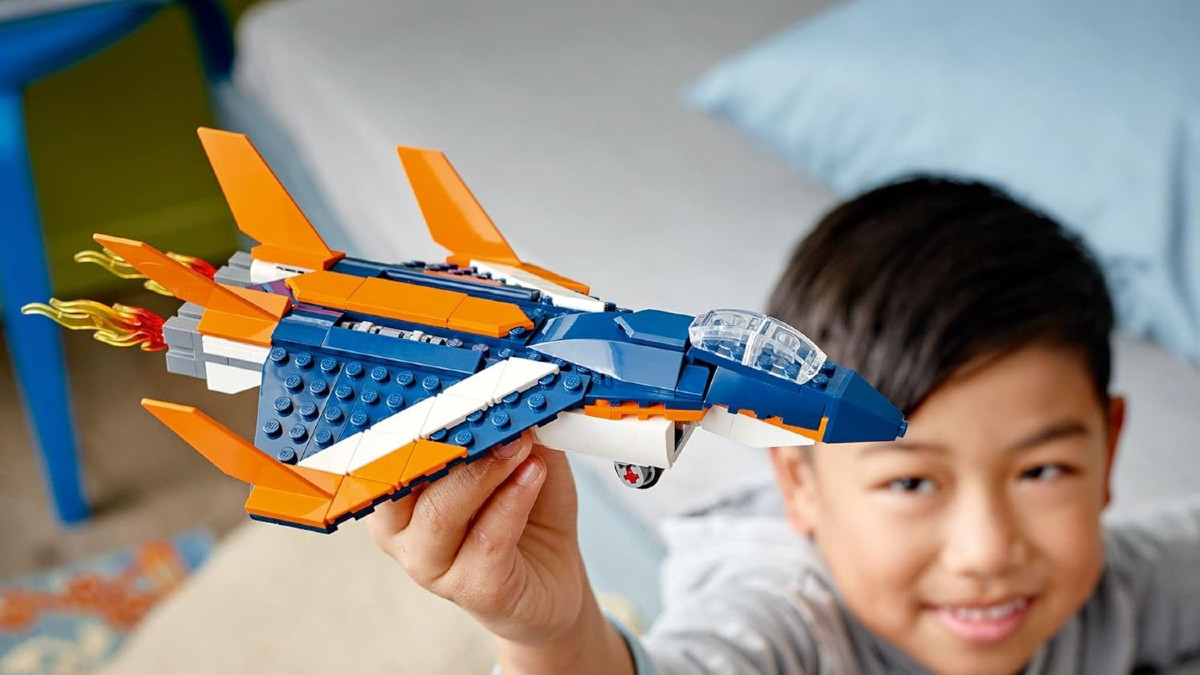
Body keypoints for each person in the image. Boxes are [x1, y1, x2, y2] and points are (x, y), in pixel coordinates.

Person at [367, 178, 1200, 674]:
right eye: (912, 480)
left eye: (1042, 472)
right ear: (799, 480)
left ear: (1109, 448)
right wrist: (554, 635)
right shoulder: (791, 622)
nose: (987, 550)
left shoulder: (1110, 587)